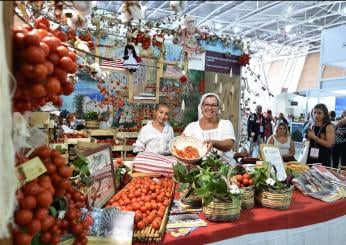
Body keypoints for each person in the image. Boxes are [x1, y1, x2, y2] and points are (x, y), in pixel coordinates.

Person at [182, 93, 236, 161]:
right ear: (201, 107)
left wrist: (214, 143)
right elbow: (182, 145)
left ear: (218, 108)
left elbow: (229, 145)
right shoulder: (191, 126)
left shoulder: (226, 124)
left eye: (213, 105)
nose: (210, 108)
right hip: (197, 166)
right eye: (207, 104)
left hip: (224, 166)